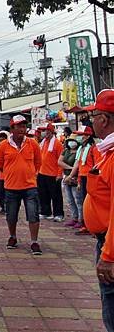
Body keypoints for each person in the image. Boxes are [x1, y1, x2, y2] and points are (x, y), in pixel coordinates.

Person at [79, 90, 114, 330]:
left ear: (103, 119)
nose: (91, 122)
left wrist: (109, 256)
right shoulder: (106, 153)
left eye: (94, 116)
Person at [0, 115, 43, 255]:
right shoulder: (3, 146)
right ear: (12, 128)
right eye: (19, 126)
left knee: (33, 215)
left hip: (30, 186)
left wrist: (30, 174)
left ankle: (34, 241)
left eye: (24, 126)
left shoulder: (33, 144)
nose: (22, 129)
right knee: (11, 215)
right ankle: (13, 237)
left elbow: (38, 162)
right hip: (11, 187)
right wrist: (12, 173)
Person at [66, 125, 100, 235]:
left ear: (87, 136)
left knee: (89, 203)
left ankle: (91, 226)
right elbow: (80, 165)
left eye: (81, 135)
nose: (79, 137)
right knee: (84, 203)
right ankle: (86, 224)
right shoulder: (81, 148)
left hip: (91, 177)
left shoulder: (93, 148)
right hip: (83, 177)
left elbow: (97, 165)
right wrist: (78, 179)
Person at [37, 123, 65, 222]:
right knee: (43, 194)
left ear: (51, 131)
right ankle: (45, 212)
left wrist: (59, 174)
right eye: (43, 130)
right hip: (42, 173)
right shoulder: (43, 142)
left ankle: (58, 214)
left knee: (56, 195)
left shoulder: (57, 143)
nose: (44, 132)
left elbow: (61, 160)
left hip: (53, 174)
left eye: (46, 130)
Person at [59, 136, 80, 227]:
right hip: (67, 176)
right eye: (70, 141)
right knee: (70, 199)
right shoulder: (66, 151)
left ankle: (80, 219)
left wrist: (73, 172)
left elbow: (78, 164)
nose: (72, 143)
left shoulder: (79, 151)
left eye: (74, 141)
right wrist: (71, 168)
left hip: (75, 178)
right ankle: (74, 217)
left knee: (77, 199)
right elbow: (60, 162)